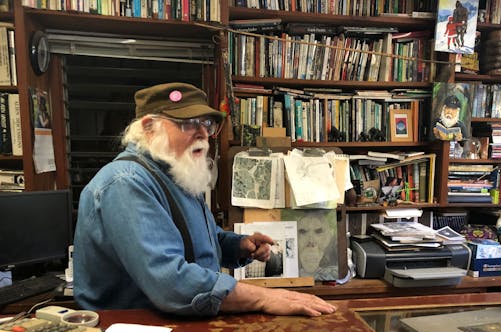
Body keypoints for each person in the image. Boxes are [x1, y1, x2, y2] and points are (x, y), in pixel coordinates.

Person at [73, 82, 336, 318]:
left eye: (206, 123)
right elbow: (170, 282)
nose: (202, 133)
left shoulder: (176, 172)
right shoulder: (126, 183)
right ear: (149, 128)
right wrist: (265, 297)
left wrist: (238, 246)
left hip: (175, 324)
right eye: (187, 123)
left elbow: (201, 242)